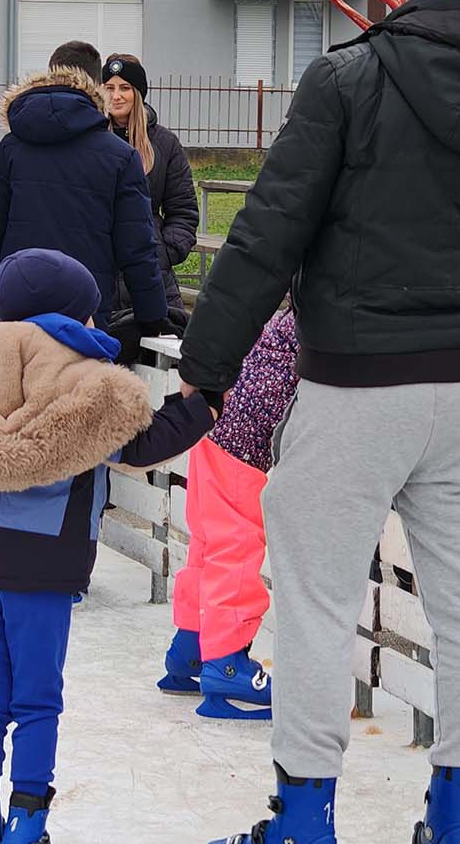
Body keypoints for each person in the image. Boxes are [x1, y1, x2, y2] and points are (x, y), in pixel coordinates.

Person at [180, 0, 460, 844]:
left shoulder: (348, 78)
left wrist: (208, 371)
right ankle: (456, 816)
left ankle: (306, 816)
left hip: (356, 381)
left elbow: (268, 230)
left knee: (318, 598)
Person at [0, 247, 215, 844]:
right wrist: (201, 404)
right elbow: (143, 444)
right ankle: (27, 823)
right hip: (44, 569)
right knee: (38, 700)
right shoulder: (87, 383)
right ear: (72, 318)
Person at [159, 303, 295, 720]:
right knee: (235, 546)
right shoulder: (334, 306)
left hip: (217, 422)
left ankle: (191, 648)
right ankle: (227, 662)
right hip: (244, 438)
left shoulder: (294, 308)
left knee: (208, 542)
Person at [0, 59, 169, 334]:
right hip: (85, 303)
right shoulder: (121, 156)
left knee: (15, 372)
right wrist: (152, 315)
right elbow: (136, 245)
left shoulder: (12, 148)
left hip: (19, 296)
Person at [99, 54, 198, 334]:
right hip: (100, 279)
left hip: (154, 281)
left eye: (125, 88)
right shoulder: (90, 141)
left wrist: (162, 252)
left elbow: (184, 211)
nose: (116, 96)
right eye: (110, 87)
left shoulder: (164, 144)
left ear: (138, 93)